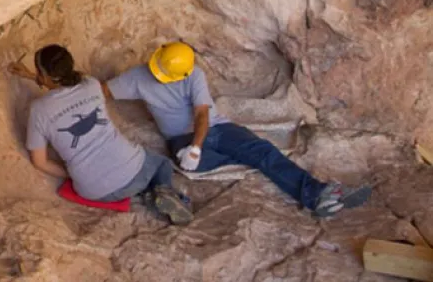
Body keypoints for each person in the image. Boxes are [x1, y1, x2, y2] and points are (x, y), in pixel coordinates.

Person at [103, 41, 372, 218]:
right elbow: (101, 91)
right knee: (204, 163)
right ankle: (180, 184)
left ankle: (317, 194)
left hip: (213, 129)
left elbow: (202, 114)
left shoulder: (193, 75)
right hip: (180, 139)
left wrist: (196, 147)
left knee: (263, 151)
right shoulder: (136, 77)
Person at [9, 44, 193, 225]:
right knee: (161, 163)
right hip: (134, 171)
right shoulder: (92, 85)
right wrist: (34, 76)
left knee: (122, 181)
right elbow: (68, 83)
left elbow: (39, 162)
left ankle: (146, 194)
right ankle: (162, 190)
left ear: (44, 75)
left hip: (94, 190)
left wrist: (73, 173)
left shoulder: (38, 110)